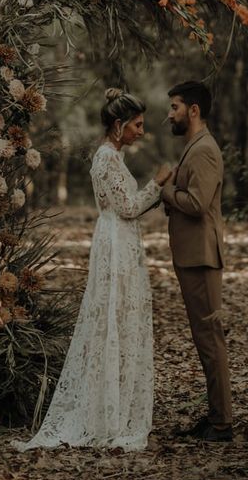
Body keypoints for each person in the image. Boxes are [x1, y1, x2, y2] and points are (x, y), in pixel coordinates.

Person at [12, 88, 173, 451]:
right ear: (118, 125)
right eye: (137, 125)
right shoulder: (106, 159)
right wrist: (158, 184)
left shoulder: (114, 156)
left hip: (121, 240)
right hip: (115, 242)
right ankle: (103, 413)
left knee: (121, 318)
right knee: (111, 318)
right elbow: (128, 207)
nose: (141, 132)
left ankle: (113, 405)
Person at [161, 80, 233, 442]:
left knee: (210, 339)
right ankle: (215, 415)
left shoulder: (204, 149)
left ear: (193, 110)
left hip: (202, 257)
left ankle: (222, 423)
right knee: (204, 338)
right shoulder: (194, 146)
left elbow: (196, 204)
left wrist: (167, 190)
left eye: (174, 107)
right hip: (192, 255)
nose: (169, 114)